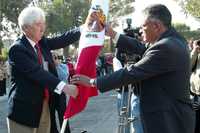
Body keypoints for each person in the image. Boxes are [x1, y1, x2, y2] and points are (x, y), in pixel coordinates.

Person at [71, 4, 195, 133]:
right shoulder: (172, 40)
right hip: (171, 117)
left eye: (143, 26)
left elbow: (131, 73)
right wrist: (113, 33)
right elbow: (142, 48)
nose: (140, 31)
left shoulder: (166, 47)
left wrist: (93, 82)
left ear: (156, 26)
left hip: (169, 121)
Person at [7, 6, 79, 133]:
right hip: (24, 111)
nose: (43, 27)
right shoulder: (17, 49)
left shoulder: (41, 42)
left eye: (43, 23)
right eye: (38, 24)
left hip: (44, 106)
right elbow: (37, 73)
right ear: (25, 28)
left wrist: (85, 28)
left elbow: (62, 39)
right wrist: (64, 87)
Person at [50, 52, 71, 133]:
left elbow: (63, 77)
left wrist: (57, 65)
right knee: (51, 117)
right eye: (52, 57)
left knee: (63, 116)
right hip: (50, 93)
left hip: (60, 93)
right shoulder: (47, 67)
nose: (54, 58)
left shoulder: (63, 66)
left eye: (55, 57)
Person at [190, 39, 200, 133]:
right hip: (195, 94)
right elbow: (188, 67)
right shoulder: (197, 53)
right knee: (195, 124)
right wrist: (194, 51)